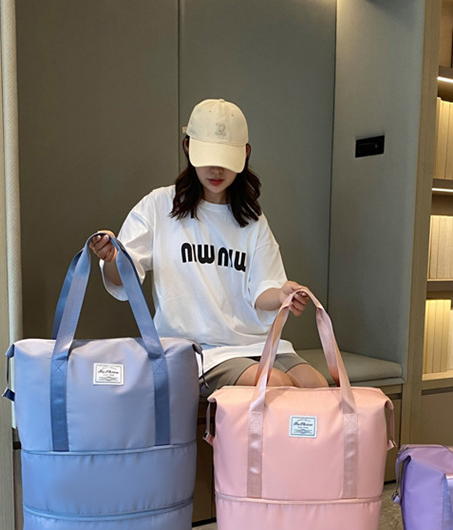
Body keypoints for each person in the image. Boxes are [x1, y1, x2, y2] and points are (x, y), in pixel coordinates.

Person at [90, 98, 329, 396]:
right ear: (188, 146)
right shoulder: (159, 205)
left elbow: (262, 290)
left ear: (245, 153)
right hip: (196, 350)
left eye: (226, 159)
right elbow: (123, 280)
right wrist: (112, 257)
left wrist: (282, 294)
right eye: (208, 157)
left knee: (317, 387)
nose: (216, 169)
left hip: (256, 343)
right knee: (277, 386)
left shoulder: (251, 218)